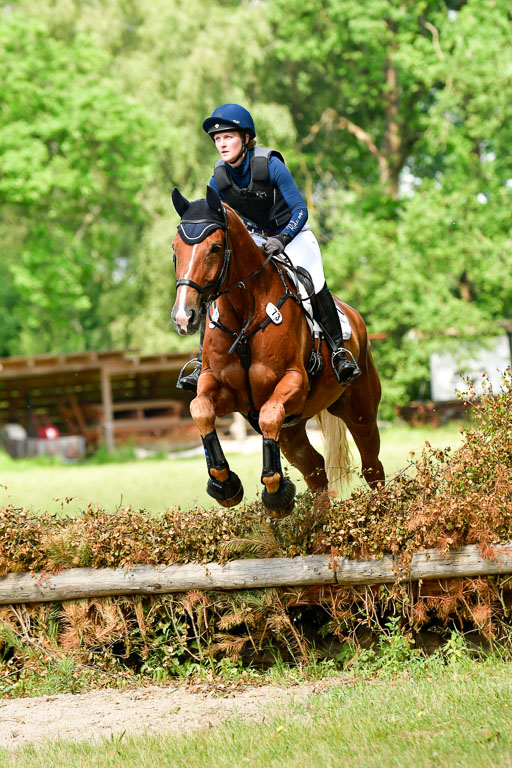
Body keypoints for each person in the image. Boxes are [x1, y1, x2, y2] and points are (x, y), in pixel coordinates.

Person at [177, 103, 361, 392]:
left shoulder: (270, 164)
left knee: (310, 281)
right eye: (217, 139)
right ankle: (203, 361)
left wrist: (283, 238)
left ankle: (339, 353)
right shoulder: (218, 178)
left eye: (228, 137)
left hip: (293, 233)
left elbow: (300, 209)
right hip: (256, 239)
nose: (222, 144)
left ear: (245, 138)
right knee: (218, 284)